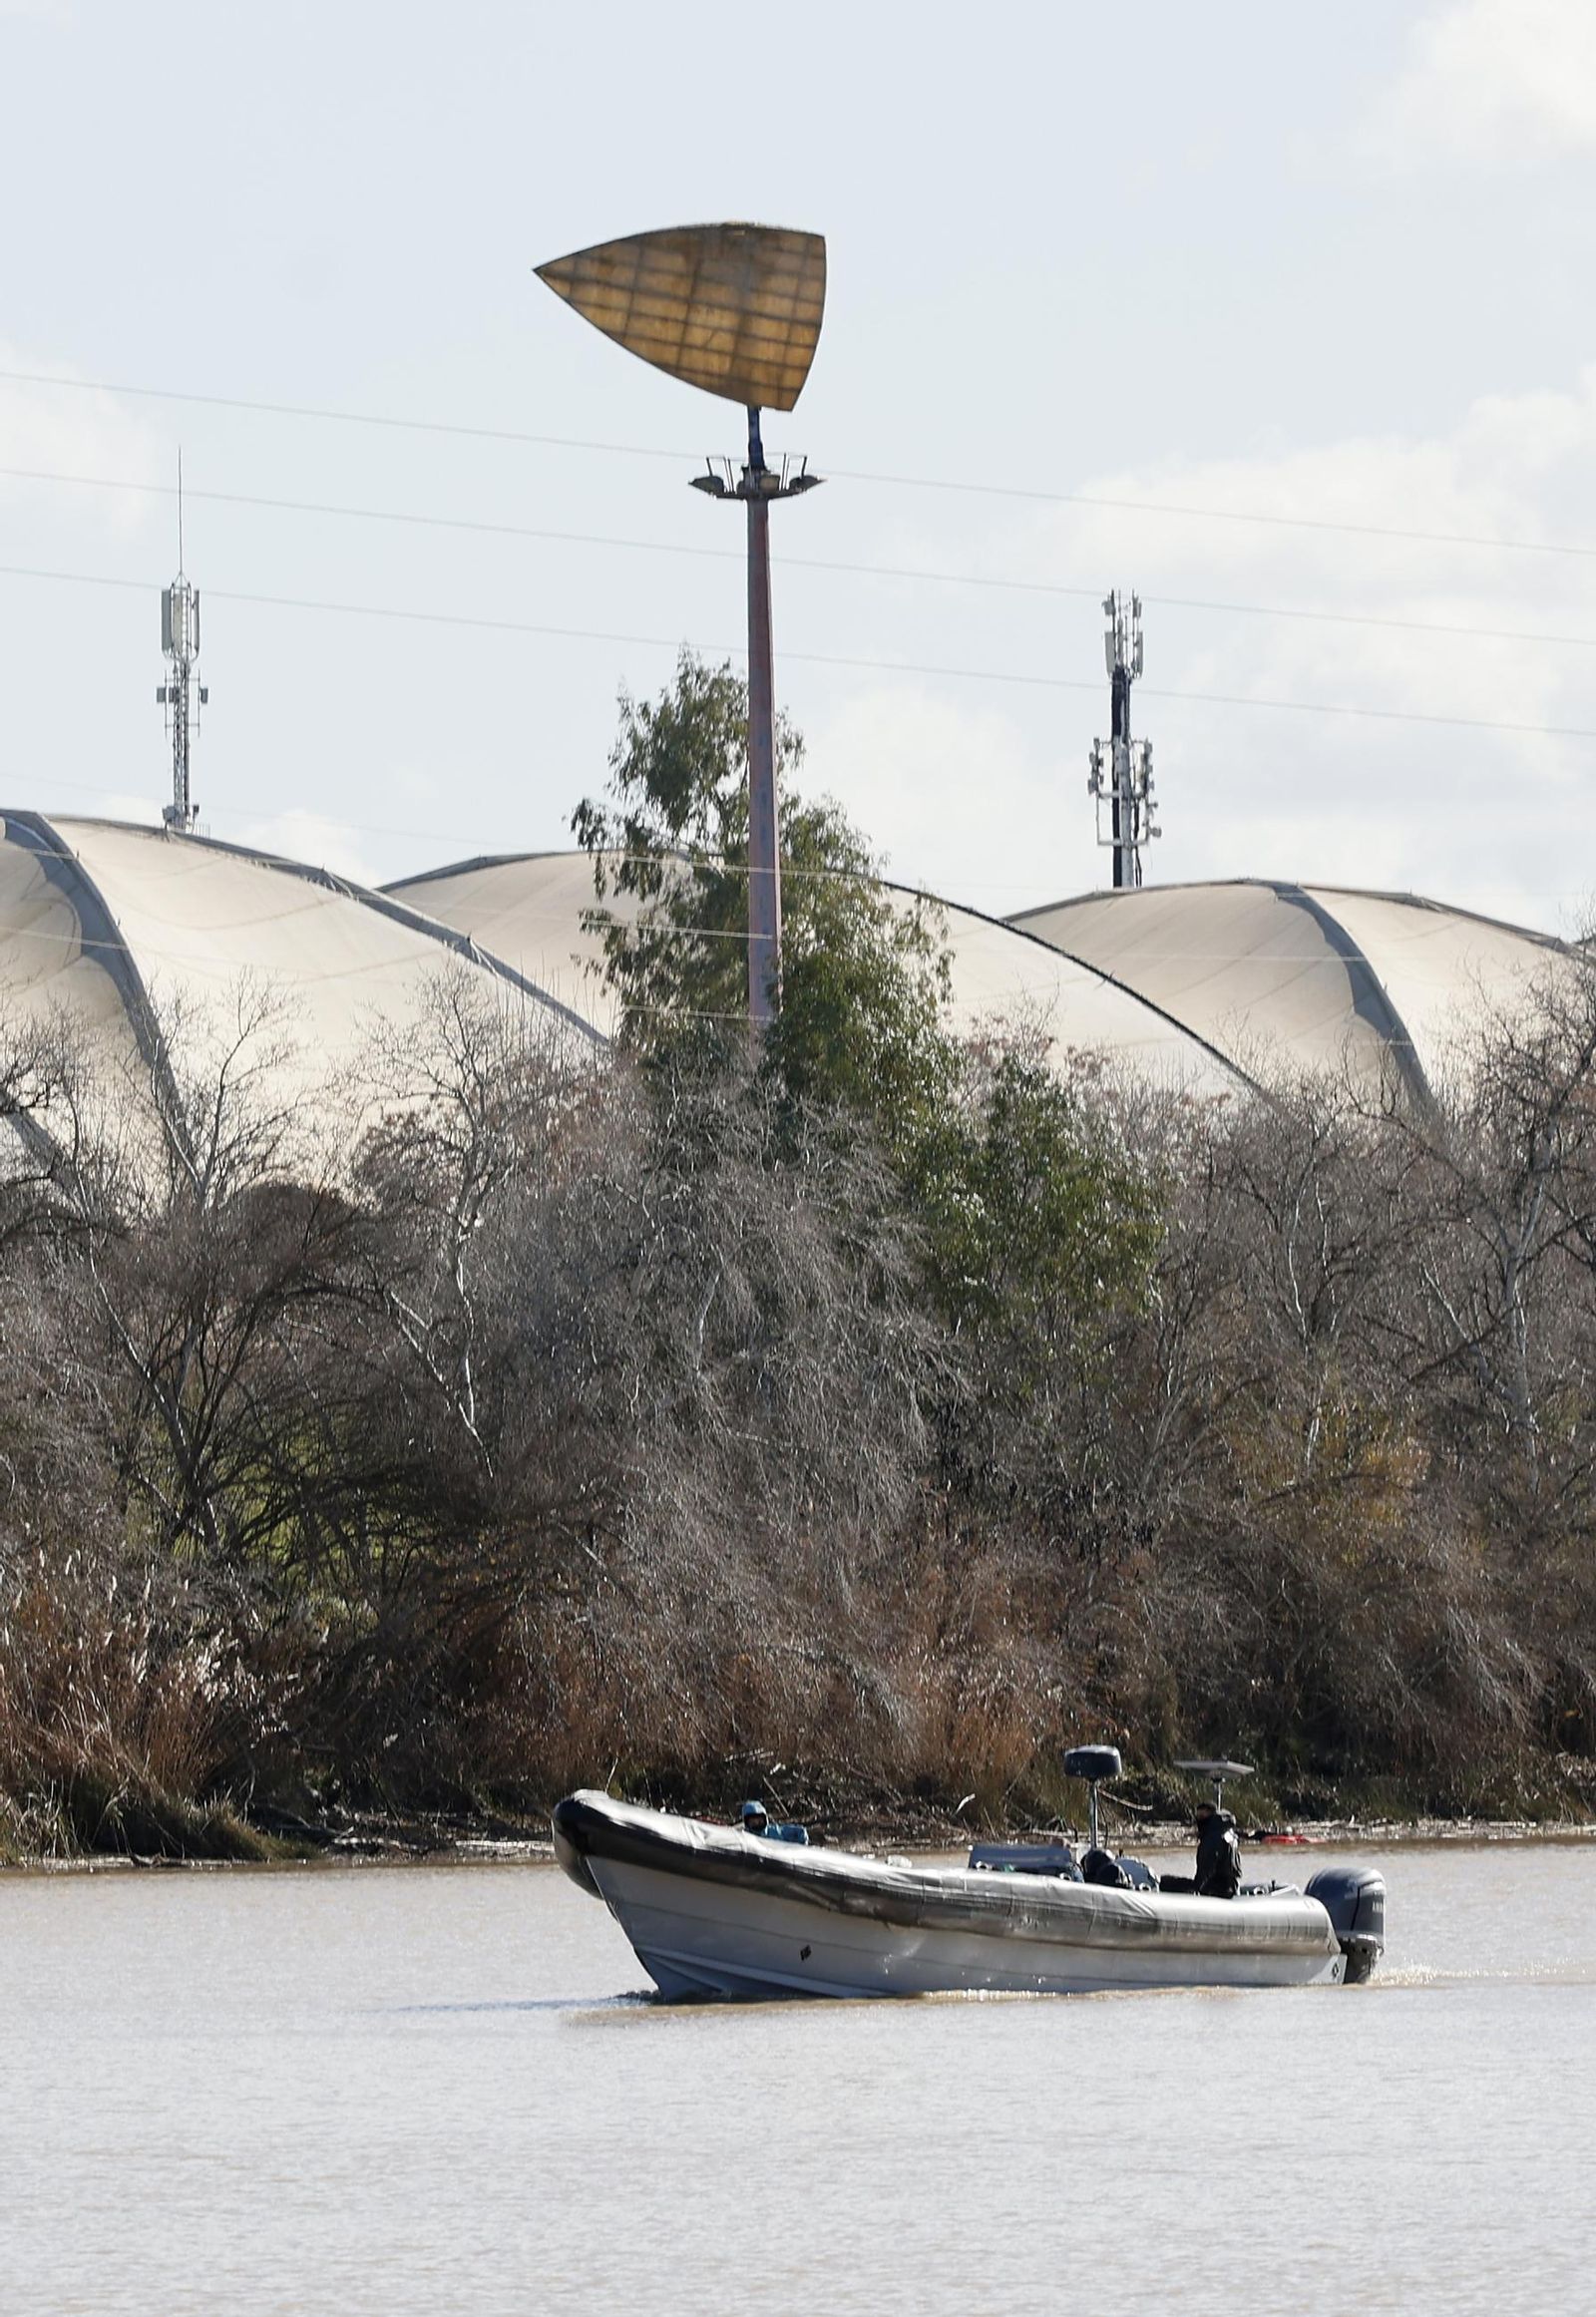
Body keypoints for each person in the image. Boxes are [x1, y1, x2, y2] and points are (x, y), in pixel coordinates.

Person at [1192, 1798, 1243, 1898]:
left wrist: (1196, 1889)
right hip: (1231, 1886)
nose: (1198, 1820)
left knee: (1168, 1882)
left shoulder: (1212, 1837)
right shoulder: (1228, 1832)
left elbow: (1206, 1869)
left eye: (1201, 1816)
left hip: (1217, 1889)